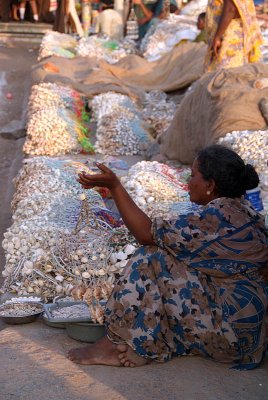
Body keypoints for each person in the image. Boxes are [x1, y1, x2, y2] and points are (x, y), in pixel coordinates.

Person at [68, 145, 268, 370]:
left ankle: (115, 342)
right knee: (171, 257)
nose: (187, 181)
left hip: (230, 337)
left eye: (193, 176)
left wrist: (114, 186)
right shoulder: (247, 212)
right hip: (251, 338)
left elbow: (146, 234)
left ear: (210, 185)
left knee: (150, 257)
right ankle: (145, 341)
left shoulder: (213, 219)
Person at [204, 0, 263, 72]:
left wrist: (218, 36)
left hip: (229, 38)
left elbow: (230, 9)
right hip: (230, 35)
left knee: (226, 75)